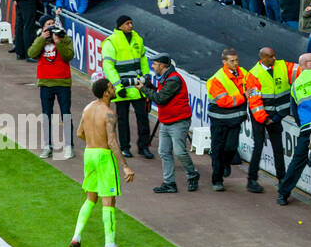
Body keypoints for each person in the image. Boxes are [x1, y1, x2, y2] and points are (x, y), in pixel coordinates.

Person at [70, 77, 135, 247]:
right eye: (111, 87)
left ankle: (76, 237)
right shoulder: (109, 113)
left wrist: (93, 142)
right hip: (104, 157)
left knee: (91, 198)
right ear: (106, 92)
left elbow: (79, 133)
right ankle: (110, 245)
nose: (114, 89)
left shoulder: (87, 108)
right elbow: (112, 141)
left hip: (89, 154)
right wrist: (125, 166)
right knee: (109, 201)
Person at [142, 54, 199, 193]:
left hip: (179, 121)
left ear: (162, 65)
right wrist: (149, 87)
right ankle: (169, 183)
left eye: (155, 64)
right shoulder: (166, 77)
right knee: (164, 152)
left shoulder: (173, 79)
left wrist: (142, 88)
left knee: (179, 152)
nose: (153, 67)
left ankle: (192, 174)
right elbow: (160, 94)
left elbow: (160, 98)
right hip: (166, 120)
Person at [101, 14, 152, 160]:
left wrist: (146, 76)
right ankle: (125, 147)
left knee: (143, 117)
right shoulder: (111, 41)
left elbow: (143, 60)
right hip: (123, 87)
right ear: (120, 26)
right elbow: (108, 66)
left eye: (131, 23)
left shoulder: (137, 38)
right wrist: (118, 86)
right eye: (128, 23)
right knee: (122, 120)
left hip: (137, 87)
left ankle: (144, 147)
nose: (131, 25)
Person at [278, 51, 311, 205]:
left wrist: (303, 125)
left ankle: (283, 193)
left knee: (297, 162)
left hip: (306, 128)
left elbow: (295, 111)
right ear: (305, 64)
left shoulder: (295, 85)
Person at [246, 46, 294, 193]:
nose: (275, 58)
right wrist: (265, 119)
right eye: (271, 56)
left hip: (276, 115)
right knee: (258, 145)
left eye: (274, 56)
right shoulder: (254, 74)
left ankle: (282, 179)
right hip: (261, 116)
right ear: (263, 58)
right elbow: (254, 102)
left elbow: (300, 70)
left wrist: (277, 116)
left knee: (278, 148)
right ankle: (251, 180)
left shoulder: (283, 66)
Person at [205, 47, 250, 192]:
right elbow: (224, 101)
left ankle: (225, 164)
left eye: (236, 60)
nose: (235, 63)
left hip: (235, 120)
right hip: (219, 121)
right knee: (217, 150)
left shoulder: (243, 73)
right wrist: (244, 95)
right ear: (224, 62)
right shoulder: (216, 80)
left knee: (231, 147)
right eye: (232, 61)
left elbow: (253, 85)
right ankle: (217, 180)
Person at [30, 17, 75, 160]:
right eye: (47, 24)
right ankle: (47, 146)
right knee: (46, 115)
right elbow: (31, 53)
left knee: (66, 114)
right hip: (45, 83)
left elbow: (68, 56)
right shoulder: (39, 38)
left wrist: (58, 42)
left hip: (62, 82)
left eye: (52, 23)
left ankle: (69, 146)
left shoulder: (64, 38)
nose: (51, 26)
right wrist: (42, 38)